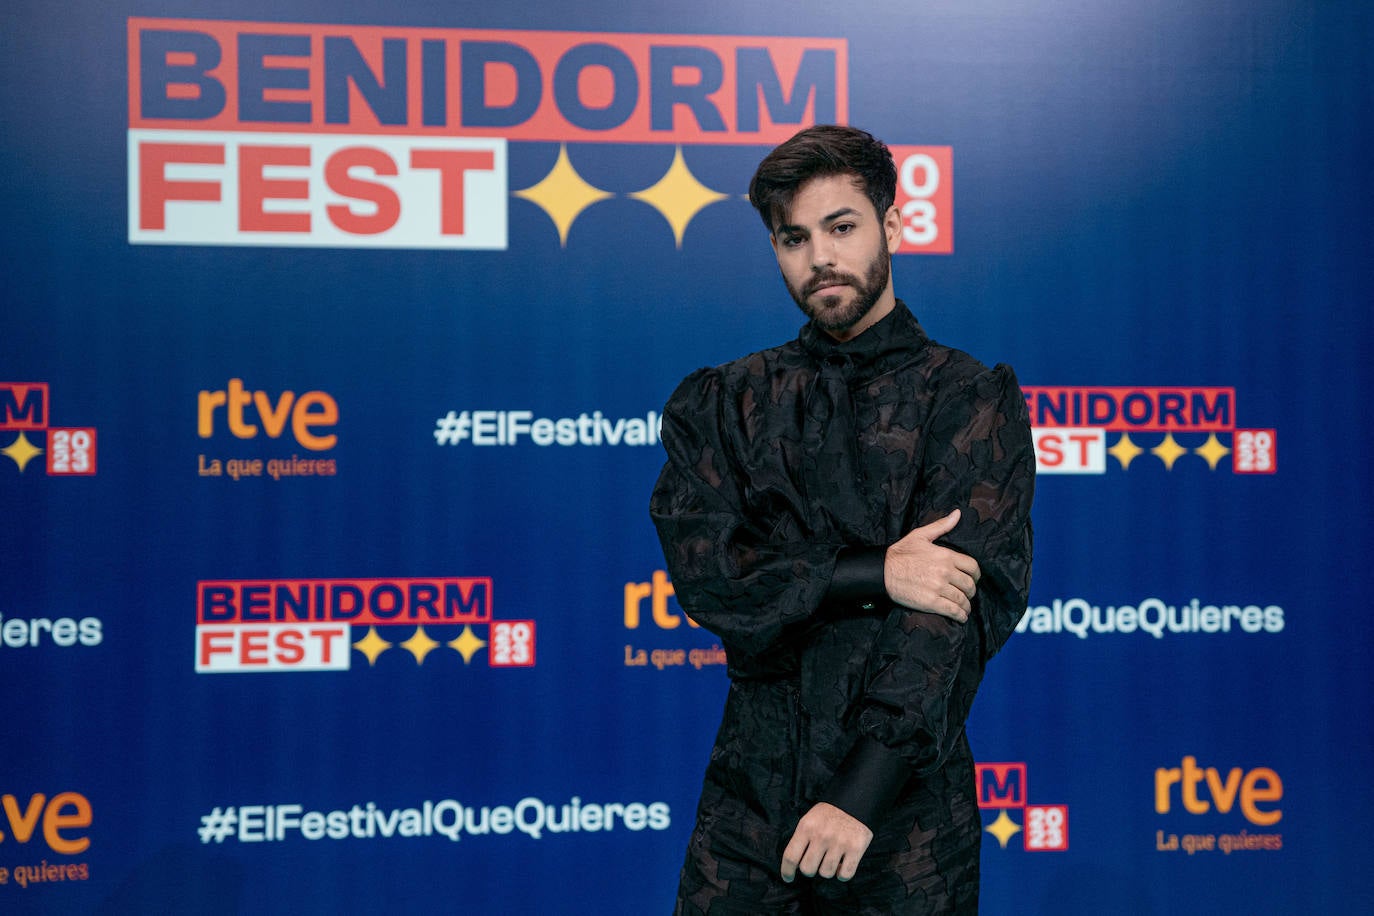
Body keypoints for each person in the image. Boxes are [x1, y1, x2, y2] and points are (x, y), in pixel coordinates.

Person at [649, 125, 1036, 914]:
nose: (820, 256)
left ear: (891, 228)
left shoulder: (966, 399)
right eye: (794, 238)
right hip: (746, 812)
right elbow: (709, 573)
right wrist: (873, 572)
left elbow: (953, 618)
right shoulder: (726, 402)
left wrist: (861, 791)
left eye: (842, 227)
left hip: (905, 820)